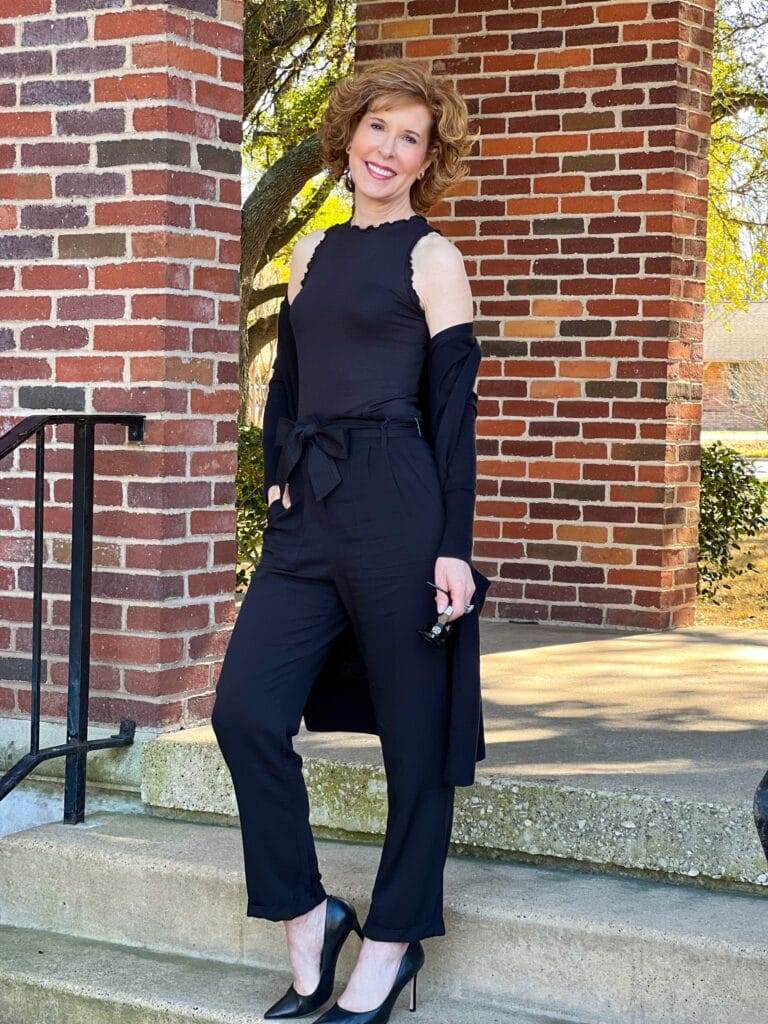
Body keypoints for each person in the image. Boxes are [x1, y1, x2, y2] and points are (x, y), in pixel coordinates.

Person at [211, 57, 482, 1024]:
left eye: (410, 137)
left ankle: (393, 940)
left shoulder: (432, 256)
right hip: (310, 512)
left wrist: (455, 546)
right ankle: (307, 912)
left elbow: (454, 412)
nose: (388, 149)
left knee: (417, 740)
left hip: (402, 506)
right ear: (350, 136)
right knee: (245, 711)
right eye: (378, 128)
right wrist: (278, 462)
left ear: (426, 159)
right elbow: (287, 381)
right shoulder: (315, 254)